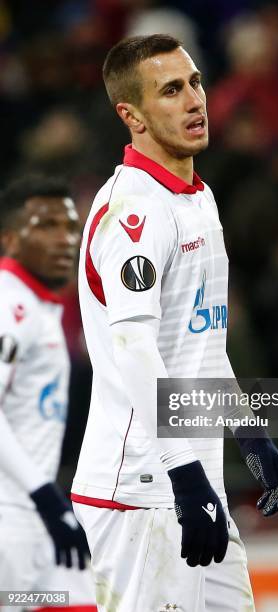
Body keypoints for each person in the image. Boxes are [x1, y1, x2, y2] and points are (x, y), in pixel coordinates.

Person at [71, 34, 278, 611]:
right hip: (141, 491)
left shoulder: (199, 197)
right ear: (132, 116)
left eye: (195, 83)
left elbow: (201, 344)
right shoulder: (134, 212)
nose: (195, 100)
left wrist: (250, 433)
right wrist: (184, 473)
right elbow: (134, 347)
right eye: (171, 90)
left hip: (192, 481)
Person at [0, 175, 96, 611]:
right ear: (10, 239)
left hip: (37, 517)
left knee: (81, 602)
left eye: (71, 226)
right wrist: (44, 494)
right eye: (46, 226)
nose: (65, 239)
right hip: (12, 519)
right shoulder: (8, 303)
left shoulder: (40, 307)